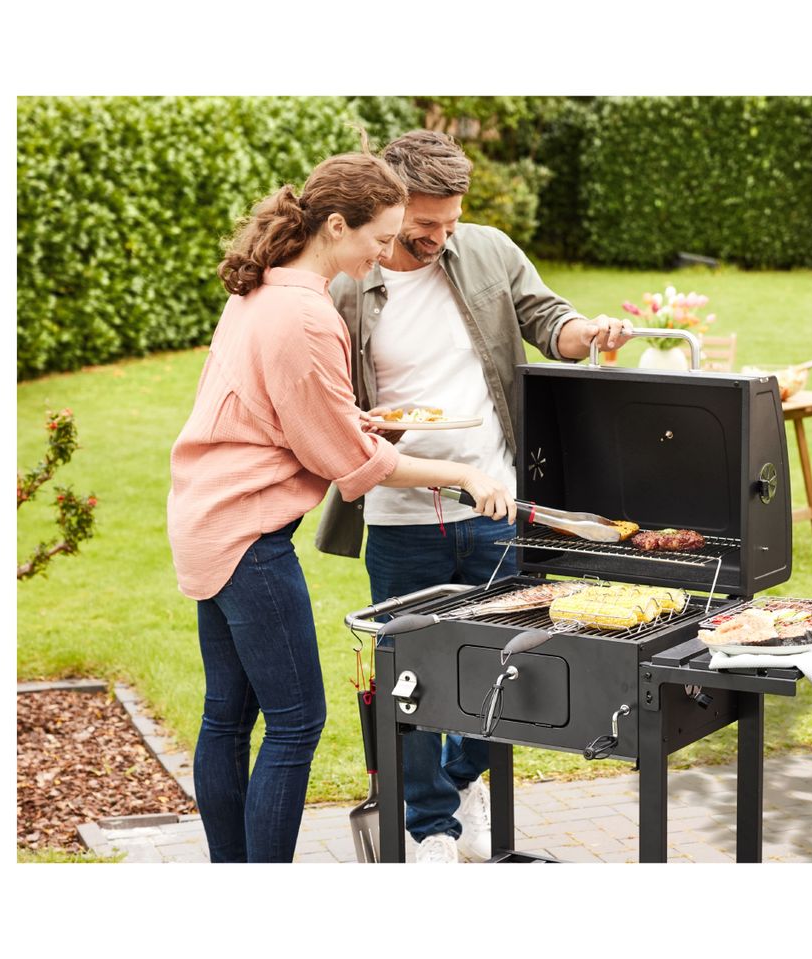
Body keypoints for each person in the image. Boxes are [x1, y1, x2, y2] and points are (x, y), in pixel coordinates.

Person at [166, 142, 516, 864]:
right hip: (248, 537)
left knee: (227, 718)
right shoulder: (306, 315)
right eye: (379, 238)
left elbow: (289, 412)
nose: (384, 255)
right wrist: (461, 477)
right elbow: (352, 466)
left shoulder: (264, 290)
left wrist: (352, 420)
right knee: (297, 722)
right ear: (334, 227)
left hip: (208, 519)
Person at [314, 129, 630, 863]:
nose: (438, 237)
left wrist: (587, 333)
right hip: (399, 511)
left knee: (514, 667)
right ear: (390, 205)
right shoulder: (347, 282)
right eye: (424, 226)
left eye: (448, 222)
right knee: (414, 679)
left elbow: (551, 321)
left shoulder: (487, 249)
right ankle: (431, 828)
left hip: (495, 504)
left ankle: (462, 782)